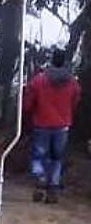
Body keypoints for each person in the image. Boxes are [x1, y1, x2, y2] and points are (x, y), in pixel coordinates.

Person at [23, 48, 81, 203]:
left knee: (38, 156)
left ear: (51, 60)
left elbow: (29, 102)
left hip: (41, 123)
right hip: (62, 125)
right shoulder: (72, 82)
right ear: (64, 62)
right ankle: (53, 186)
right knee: (56, 158)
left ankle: (40, 177)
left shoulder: (39, 80)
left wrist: (28, 113)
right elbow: (75, 101)